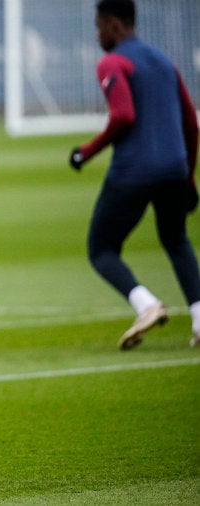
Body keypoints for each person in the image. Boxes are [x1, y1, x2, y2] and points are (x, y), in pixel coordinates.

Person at [68, 0, 199, 350]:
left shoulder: (113, 62)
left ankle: (147, 305)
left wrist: (86, 151)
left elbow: (123, 114)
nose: (98, 36)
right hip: (174, 168)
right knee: (176, 240)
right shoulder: (164, 61)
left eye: (98, 28)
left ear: (113, 25)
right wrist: (188, 176)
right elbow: (190, 121)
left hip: (133, 173)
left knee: (102, 248)